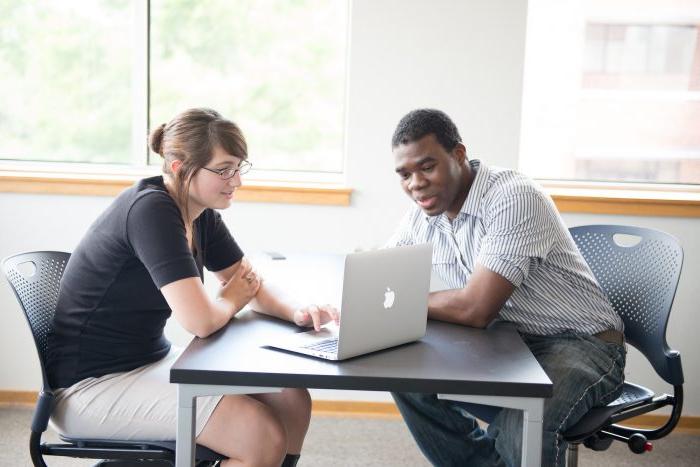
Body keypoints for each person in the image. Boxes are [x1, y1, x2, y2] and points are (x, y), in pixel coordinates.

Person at [46, 108, 337, 467]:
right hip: (92, 388)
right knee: (260, 435)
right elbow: (201, 321)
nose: (236, 181)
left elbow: (248, 282)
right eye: (223, 170)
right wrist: (231, 300)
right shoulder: (151, 211)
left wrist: (298, 310)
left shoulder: (200, 212)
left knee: (290, 398)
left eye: (239, 168)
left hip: (148, 360)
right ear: (181, 167)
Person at [387, 109, 626, 466]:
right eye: (404, 174)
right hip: (507, 342)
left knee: (525, 429)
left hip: (582, 343)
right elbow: (384, 277)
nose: (415, 183)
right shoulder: (425, 215)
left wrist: (402, 302)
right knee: (406, 377)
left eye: (426, 167)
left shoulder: (513, 197)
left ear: (458, 154)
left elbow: (475, 308)